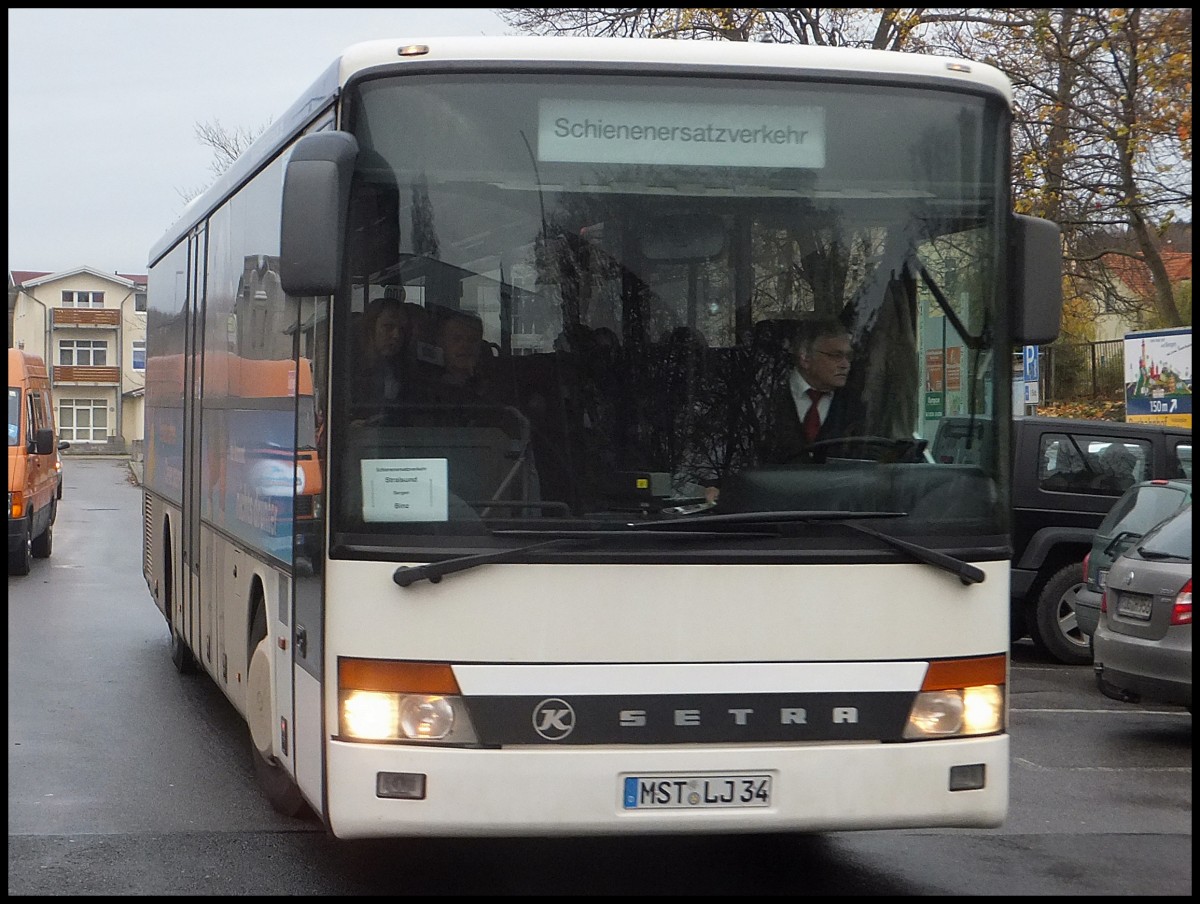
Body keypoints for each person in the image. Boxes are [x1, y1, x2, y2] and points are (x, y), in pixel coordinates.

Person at [761, 315, 861, 464]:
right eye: (836, 356)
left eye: (849, 356)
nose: (845, 365)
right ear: (805, 358)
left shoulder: (856, 404)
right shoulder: (764, 396)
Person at [351, 293, 414, 407]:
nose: (396, 335)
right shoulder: (348, 370)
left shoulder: (408, 372)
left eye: (402, 329)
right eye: (388, 327)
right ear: (371, 328)